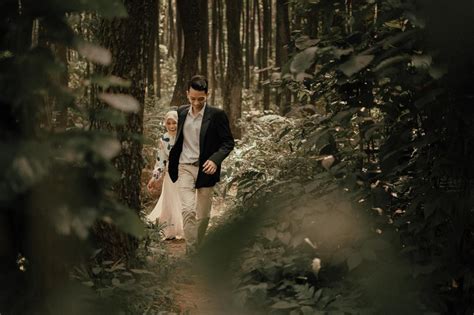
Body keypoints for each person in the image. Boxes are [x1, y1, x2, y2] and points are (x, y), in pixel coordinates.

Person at [168, 75, 234, 254]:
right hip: (184, 167)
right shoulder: (181, 112)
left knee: (203, 216)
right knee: (188, 210)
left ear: (207, 94)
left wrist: (215, 159)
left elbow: (228, 142)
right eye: (192, 98)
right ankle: (192, 253)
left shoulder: (217, 115)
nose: (196, 103)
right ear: (187, 93)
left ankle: (198, 245)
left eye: (201, 99)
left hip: (206, 169)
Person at [147, 110, 184, 240]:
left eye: (174, 122)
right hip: (171, 175)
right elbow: (160, 162)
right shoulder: (163, 140)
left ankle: (187, 228)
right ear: (165, 124)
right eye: (169, 123)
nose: (172, 126)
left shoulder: (184, 137)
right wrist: (154, 178)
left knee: (185, 201)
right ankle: (170, 230)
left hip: (185, 173)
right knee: (170, 202)